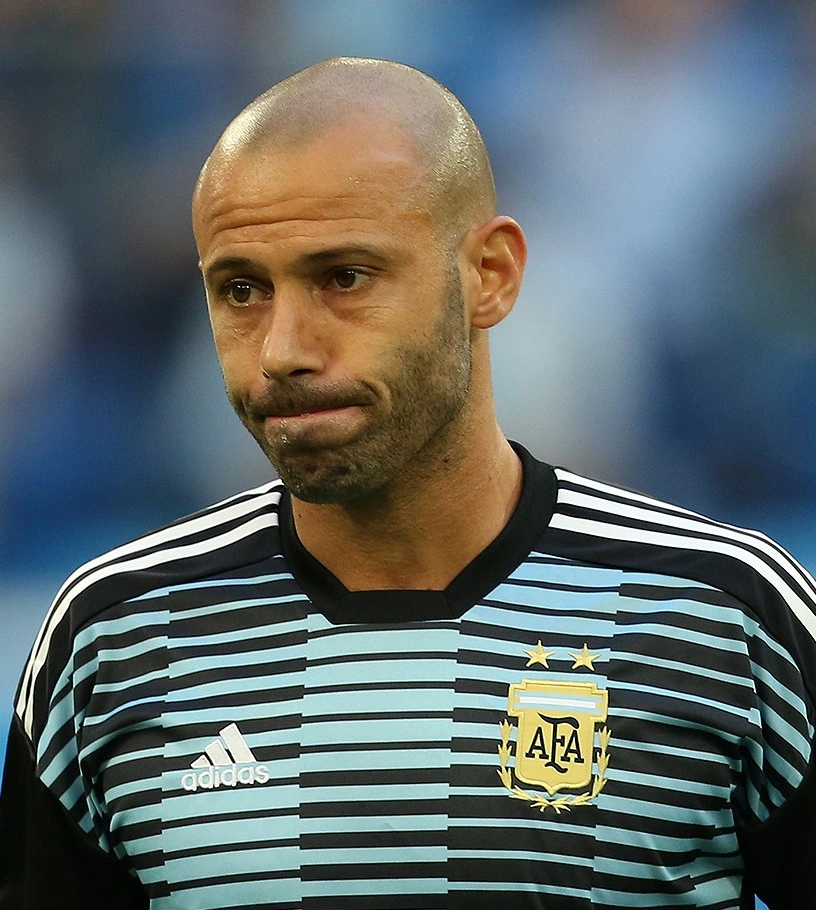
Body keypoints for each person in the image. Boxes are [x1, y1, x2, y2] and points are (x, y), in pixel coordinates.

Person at [0, 57, 813, 910]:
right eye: (241, 290)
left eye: (345, 278)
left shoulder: (723, 614)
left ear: (490, 274)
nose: (282, 350)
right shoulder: (115, 639)